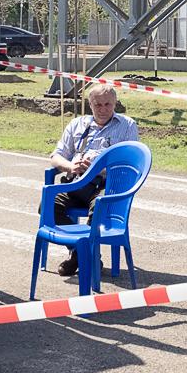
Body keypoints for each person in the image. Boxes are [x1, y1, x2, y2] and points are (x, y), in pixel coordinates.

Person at [46, 82, 141, 277]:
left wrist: (99, 168)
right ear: (90, 104)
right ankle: (81, 252)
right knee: (47, 207)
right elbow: (56, 156)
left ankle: (81, 258)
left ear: (115, 104)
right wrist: (70, 166)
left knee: (97, 210)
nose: (103, 109)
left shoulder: (127, 126)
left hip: (105, 184)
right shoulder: (77, 124)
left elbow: (129, 164)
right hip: (76, 181)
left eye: (108, 105)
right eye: (98, 105)